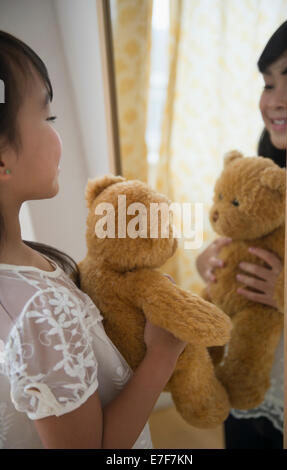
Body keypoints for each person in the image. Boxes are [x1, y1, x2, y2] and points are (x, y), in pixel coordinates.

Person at [0, 30, 187, 449]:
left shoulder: (29, 267)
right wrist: (163, 353)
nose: (56, 132)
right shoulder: (40, 310)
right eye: (47, 118)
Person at [196, 18, 287, 449]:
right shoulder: (264, 171)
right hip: (246, 383)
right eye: (267, 83)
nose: (273, 101)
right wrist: (208, 263)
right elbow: (235, 238)